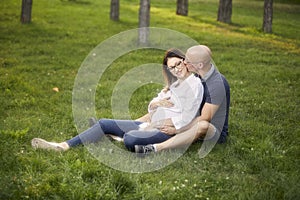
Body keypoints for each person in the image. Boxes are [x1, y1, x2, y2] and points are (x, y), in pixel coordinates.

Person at [31, 48, 203, 152]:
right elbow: (151, 106)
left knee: (130, 139)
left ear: (185, 62)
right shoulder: (173, 85)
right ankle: (63, 146)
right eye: (171, 67)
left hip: (165, 130)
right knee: (104, 122)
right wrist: (157, 104)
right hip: (150, 124)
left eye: (178, 64)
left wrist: (167, 124)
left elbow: (188, 115)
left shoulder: (195, 85)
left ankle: (118, 136)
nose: (175, 69)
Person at [134, 45, 230, 157]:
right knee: (157, 112)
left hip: (212, 130)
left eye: (188, 61)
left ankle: (156, 148)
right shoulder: (199, 75)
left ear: (199, 65)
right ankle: (125, 128)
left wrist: (176, 130)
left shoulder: (217, 84)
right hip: (193, 117)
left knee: (202, 125)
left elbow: (204, 118)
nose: (184, 62)